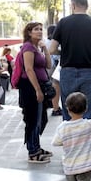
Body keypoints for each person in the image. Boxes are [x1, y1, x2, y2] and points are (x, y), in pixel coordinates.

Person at [49, 0, 91, 121]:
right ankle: (85, 138)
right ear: (86, 6)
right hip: (89, 72)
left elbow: (52, 49)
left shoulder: (63, 23)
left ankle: (69, 137)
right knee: (86, 110)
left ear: (73, 5)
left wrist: (64, 52)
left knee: (68, 109)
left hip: (68, 71)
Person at [18, 21, 53, 163]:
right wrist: (37, 90)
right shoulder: (28, 47)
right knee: (33, 120)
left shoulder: (36, 47)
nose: (40, 31)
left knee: (40, 119)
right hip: (30, 87)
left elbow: (49, 65)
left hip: (40, 86)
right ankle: (33, 152)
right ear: (29, 32)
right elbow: (29, 69)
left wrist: (45, 49)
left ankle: (36, 147)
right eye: (36, 29)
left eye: (41, 29)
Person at [45, 25, 62, 116]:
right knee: (55, 86)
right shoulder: (53, 42)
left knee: (51, 85)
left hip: (48, 67)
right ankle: (55, 107)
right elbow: (54, 54)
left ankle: (53, 106)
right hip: (53, 66)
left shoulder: (45, 41)